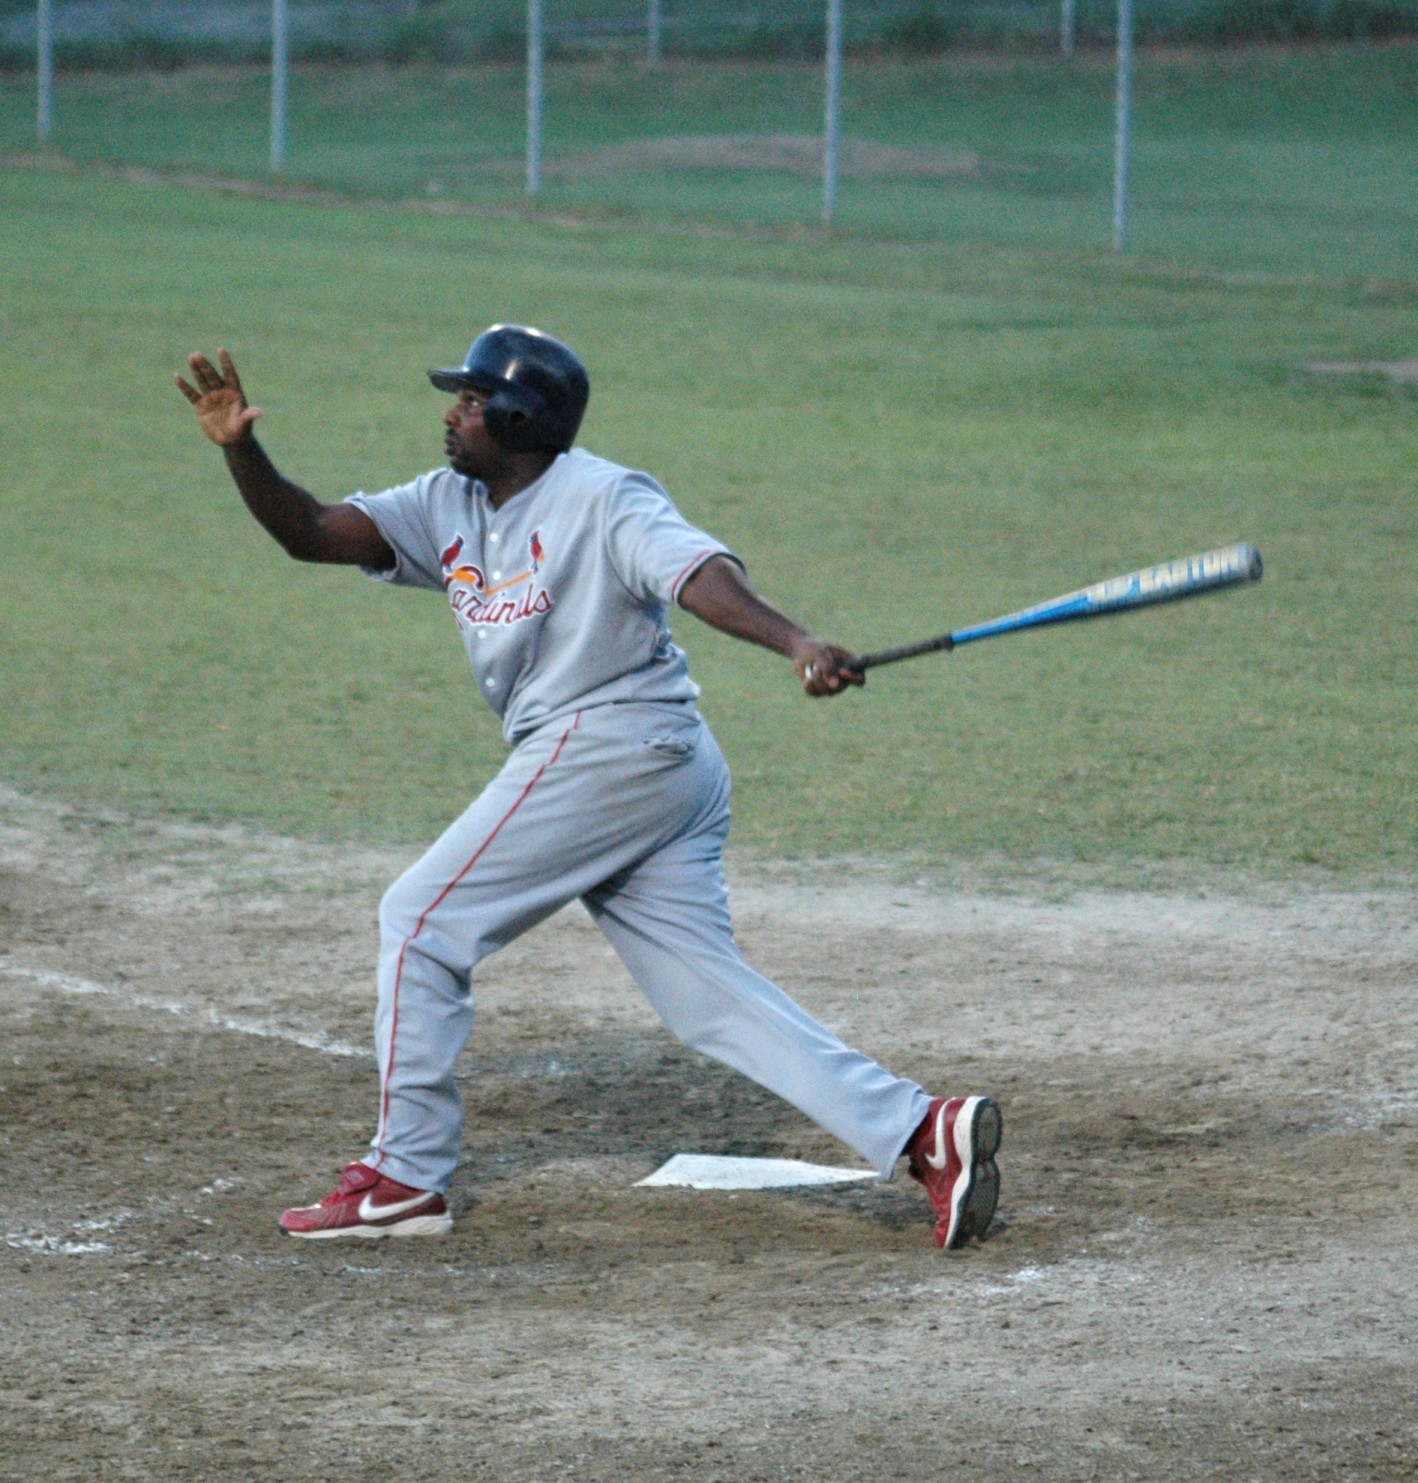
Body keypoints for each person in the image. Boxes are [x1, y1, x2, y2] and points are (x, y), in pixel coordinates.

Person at [174, 326, 1001, 1250]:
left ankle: (405, 1175)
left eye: (472, 400)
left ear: (521, 416)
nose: (452, 413)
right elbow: (311, 531)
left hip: (610, 746)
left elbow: (699, 575)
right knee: (706, 998)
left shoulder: (604, 496)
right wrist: (241, 450)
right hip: (647, 762)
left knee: (419, 919)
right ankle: (924, 1131)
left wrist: (795, 640)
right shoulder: (447, 501)